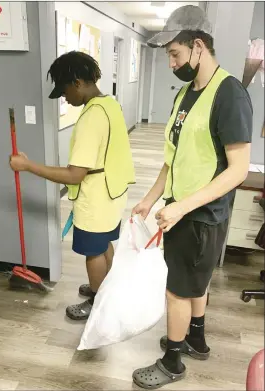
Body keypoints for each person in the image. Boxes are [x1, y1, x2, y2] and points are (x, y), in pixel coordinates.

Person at [131, 5, 252, 389]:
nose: (171, 63)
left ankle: (172, 362)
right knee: (194, 282)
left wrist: (181, 207)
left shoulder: (229, 94)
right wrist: (152, 198)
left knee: (178, 290)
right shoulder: (185, 95)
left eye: (175, 54)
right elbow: (173, 156)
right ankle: (195, 338)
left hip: (200, 216)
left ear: (198, 47)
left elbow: (238, 170)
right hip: (179, 210)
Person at [9, 51, 135, 321]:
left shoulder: (91, 117)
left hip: (97, 197)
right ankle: (104, 287)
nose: (64, 98)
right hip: (113, 193)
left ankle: (97, 301)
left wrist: (28, 166)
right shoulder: (110, 104)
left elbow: (75, 174)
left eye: (65, 91)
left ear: (78, 82)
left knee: (92, 251)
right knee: (103, 244)